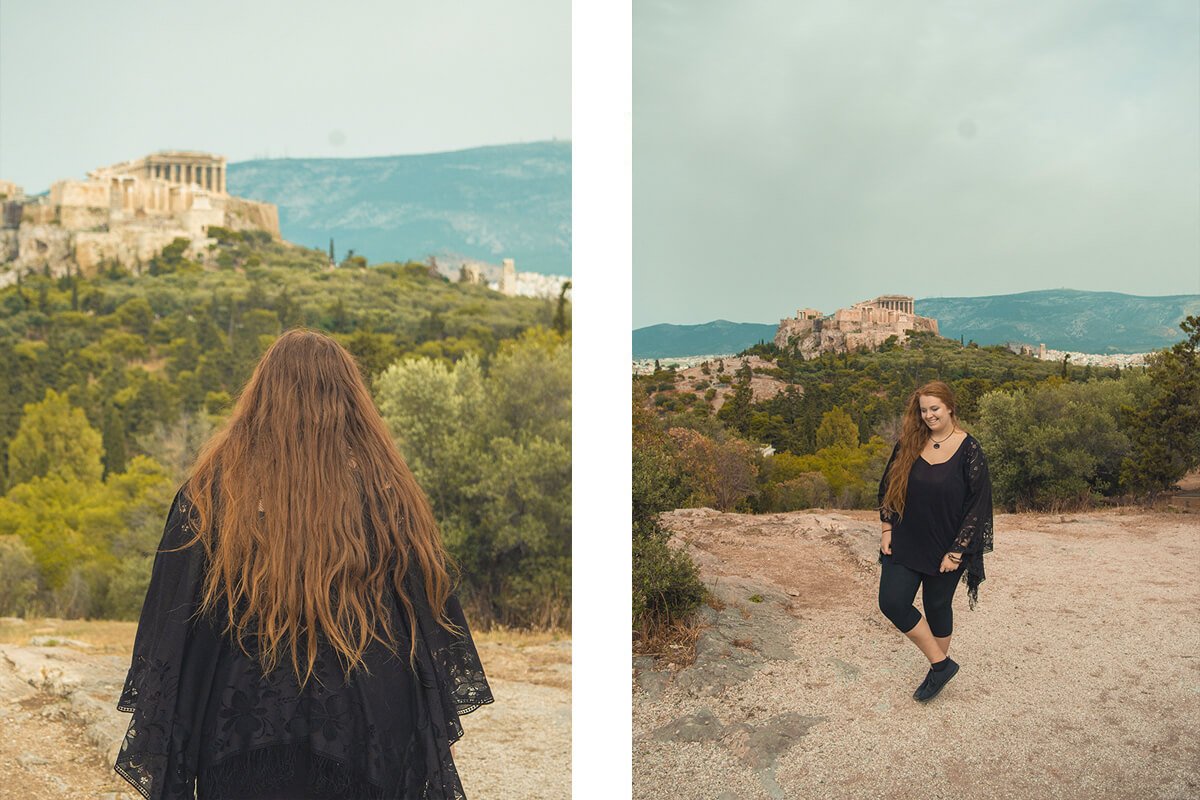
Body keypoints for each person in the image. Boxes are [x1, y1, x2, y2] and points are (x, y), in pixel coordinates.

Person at [114, 329, 493, 800]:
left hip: (239, 731)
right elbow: (427, 617)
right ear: (350, 403)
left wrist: (174, 741)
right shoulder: (388, 497)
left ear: (261, 399)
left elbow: (171, 631)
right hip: (366, 733)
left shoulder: (211, 495)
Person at [876, 380, 993, 703]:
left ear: (950, 408)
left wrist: (957, 551)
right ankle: (942, 665)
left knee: (937, 605)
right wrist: (886, 530)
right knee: (892, 602)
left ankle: (935, 670)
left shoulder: (970, 450)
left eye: (935, 408)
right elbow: (888, 487)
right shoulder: (909, 443)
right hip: (905, 538)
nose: (928, 415)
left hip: (947, 546)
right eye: (923, 410)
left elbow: (978, 505)